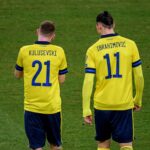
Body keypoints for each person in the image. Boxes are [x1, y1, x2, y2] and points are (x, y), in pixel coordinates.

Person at [82, 11, 144, 150]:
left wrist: (86, 108)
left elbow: (88, 81)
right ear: (113, 24)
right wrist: (138, 99)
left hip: (102, 106)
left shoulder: (92, 50)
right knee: (126, 145)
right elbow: (139, 76)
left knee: (103, 145)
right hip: (123, 104)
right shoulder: (130, 45)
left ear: (98, 26)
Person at [14, 21, 68, 150]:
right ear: (53, 36)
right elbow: (61, 80)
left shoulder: (24, 51)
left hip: (32, 108)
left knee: (36, 146)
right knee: (55, 144)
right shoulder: (59, 51)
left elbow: (17, 75)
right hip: (52, 108)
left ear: (38, 31)